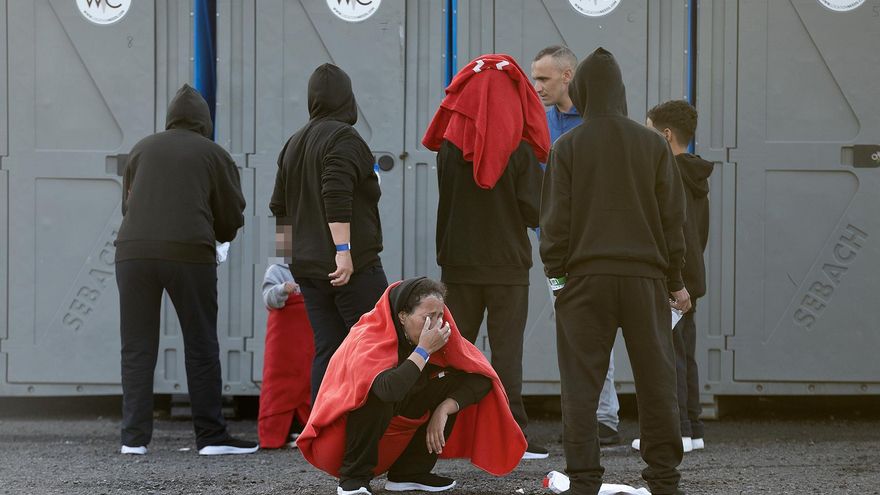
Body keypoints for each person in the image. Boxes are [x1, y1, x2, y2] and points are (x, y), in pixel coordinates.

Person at [539, 48, 690, 495]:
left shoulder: (566, 147)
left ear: (581, 90)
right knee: (657, 381)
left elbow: (555, 223)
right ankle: (664, 479)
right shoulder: (652, 146)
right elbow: (672, 219)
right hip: (645, 280)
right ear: (621, 92)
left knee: (581, 386)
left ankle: (585, 479)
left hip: (585, 283)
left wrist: (558, 280)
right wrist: (675, 281)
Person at [114, 84, 257, 456]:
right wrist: (221, 237)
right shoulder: (213, 154)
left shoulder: (142, 148)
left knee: (137, 346)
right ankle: (210, 436)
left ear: (169, 119)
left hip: (133, 252)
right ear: (204, 122)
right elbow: (230, 212)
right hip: (188, 252)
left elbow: (128, 204)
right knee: (200, 342)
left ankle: (133, 439)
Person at [422, 54, 551, 459]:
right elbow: (535, 211)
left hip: (458, 265)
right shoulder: (520, 151)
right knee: (506, 351)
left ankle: (445, 432)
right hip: (508, 265)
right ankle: (514, 434)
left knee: (451, 350)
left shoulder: (448, 147)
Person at [296, 278, 527, 495]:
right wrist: (423, 351)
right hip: (336, 446)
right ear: (403, 316)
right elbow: (388, 390)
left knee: (454, 379)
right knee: (378, 390)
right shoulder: (367, 336)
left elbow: (482, 377)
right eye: (428, 316)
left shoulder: (431, 334)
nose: (436, 324)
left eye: (440, 316)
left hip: (387, 441)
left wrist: (445, 408)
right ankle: (353, 480)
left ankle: (410, 472)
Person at [269, 63, 388, 402]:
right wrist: (344, 250)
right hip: (351, 266)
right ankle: (369, 437)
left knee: (328, 349)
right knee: (375, 344)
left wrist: (286, 259)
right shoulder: (344, 138)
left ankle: (324, 437)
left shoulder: (293, 143)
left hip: (308, 269)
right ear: (347, 99)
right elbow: (335, 194)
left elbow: (279, 207)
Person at [532, 44, 621, 446]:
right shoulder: (539, 124)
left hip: (596, 247)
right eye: (535, 78)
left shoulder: (599, 122)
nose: (537, 87)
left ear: (568, 76)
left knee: (598, 330)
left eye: (544, 78)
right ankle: (587, 416)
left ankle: (602, 417)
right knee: (570, 330)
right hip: (558, 252)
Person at [645, 100, 713, 452]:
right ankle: (694, 430)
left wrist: (674, 280)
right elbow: (697, 233)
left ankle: (679, 431)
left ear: (666, 134)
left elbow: (673, 231)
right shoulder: (696, 174)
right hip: (693, 274)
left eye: (649, 129)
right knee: (685, 352)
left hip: (674, 278)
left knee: (667, 354)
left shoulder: (668, 174)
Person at [258, 220, 315, 449]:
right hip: (283, 337)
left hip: (306, 336)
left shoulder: (314, 268)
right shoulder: (276, 270)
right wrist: (282, 289)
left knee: (307, 376)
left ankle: (304, 426)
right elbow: (268, 299)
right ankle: (278, 430)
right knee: (280, 378)